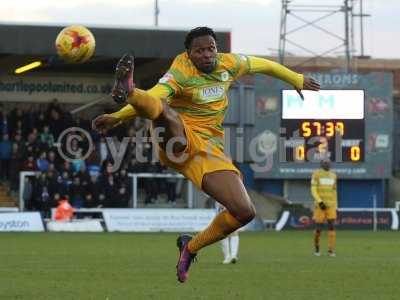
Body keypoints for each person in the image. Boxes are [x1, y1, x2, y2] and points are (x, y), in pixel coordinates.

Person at [92, 26, 320, 282]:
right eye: (199, 51)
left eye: (210, 48)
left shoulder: (230, 64)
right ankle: (130, 90)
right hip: (175, 138)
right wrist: (118, 114)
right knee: (166, 112)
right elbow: (155, 97)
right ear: (188, 54)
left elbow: (266, 65)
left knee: (244, 212)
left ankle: (189, 248)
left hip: (209, 149)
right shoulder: (180, 71)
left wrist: (296, 79)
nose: (207, 54)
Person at [311, 159, 337, 257]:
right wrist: (320, 202)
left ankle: (331, 250)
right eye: (325, 163)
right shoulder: (316, 174)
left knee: (332, 226)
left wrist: (335, 205)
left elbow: (334, 191)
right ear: (321, 164)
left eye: (329, 162)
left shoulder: (334, 175)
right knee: (318, 228)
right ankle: (317, 249)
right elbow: (313, 190)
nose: (328, 164)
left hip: (331, 206)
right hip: (320, 206)